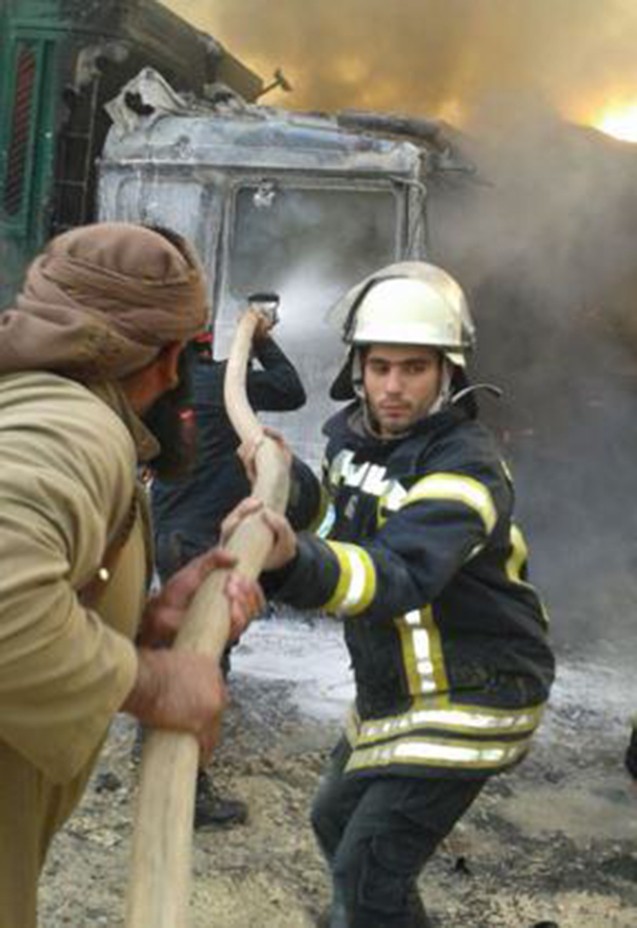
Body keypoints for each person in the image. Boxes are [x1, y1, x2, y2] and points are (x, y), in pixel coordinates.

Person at [225, 261, 556, 928]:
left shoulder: (466, 468)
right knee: (336, 820)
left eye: (414, 368)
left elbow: (396, 574)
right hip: (398, 690)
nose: (393, 387)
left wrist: (289, 563)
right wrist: (288, 490)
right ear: (358, 369)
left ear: (447, 373)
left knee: (367, 870)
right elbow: (335, 530)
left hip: (473, 692)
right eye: (379, 368)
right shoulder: (354, 445)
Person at [0, 222, 262, 928]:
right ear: (169, 354)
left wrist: (133, 628)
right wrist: (149, 684)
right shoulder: (73, 426)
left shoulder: (30, 406)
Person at [150, 313, 306, 827]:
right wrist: (262, 339)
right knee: (205, 659)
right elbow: (291, 390)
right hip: (205, 542)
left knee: (185, 648)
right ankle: (188, 794)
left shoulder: (160, 385)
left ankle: (154, 745)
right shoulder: (223, 379)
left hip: (167, 536)